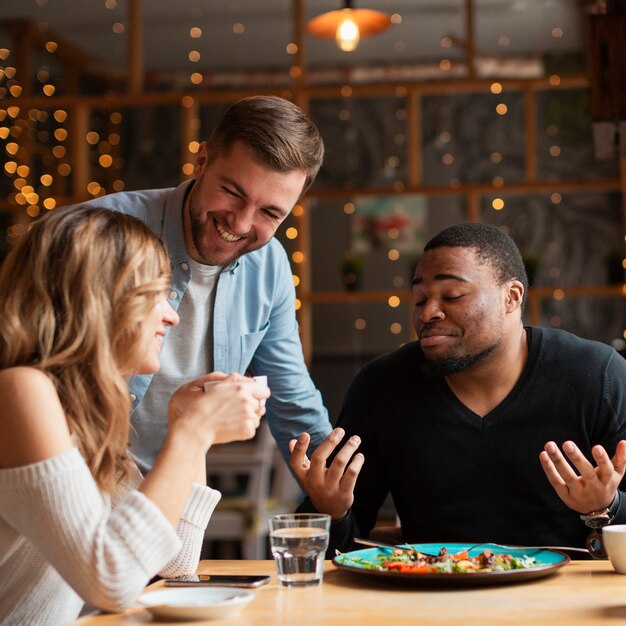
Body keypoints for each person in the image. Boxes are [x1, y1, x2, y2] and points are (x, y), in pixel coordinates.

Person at [0, 206, 270, 625]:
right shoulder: (19, 390)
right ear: (96, 299)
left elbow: (176, 562)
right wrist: (193, 435)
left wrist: (184, 421)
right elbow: (112, 580)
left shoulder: (87, 410)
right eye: (154, 293)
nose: (172, 315)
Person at [289, 222, 626, 556]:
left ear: (511, 297)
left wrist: (604, 507)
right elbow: (323, 553)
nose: (428, 313)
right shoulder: (382, 386)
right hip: (433, 597)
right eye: (420, 299)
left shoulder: (597, 376)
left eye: (452, 296)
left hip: (566, 601)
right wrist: (331, 512)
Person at [70, 95, 331, 474]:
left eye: (269, 212)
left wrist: (335, 486)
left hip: (170, 489)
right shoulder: (95, 232)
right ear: (202, 161)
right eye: (233, 193)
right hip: (70, 483)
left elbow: (291, 399)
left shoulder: (270, 263)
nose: (240, 224)